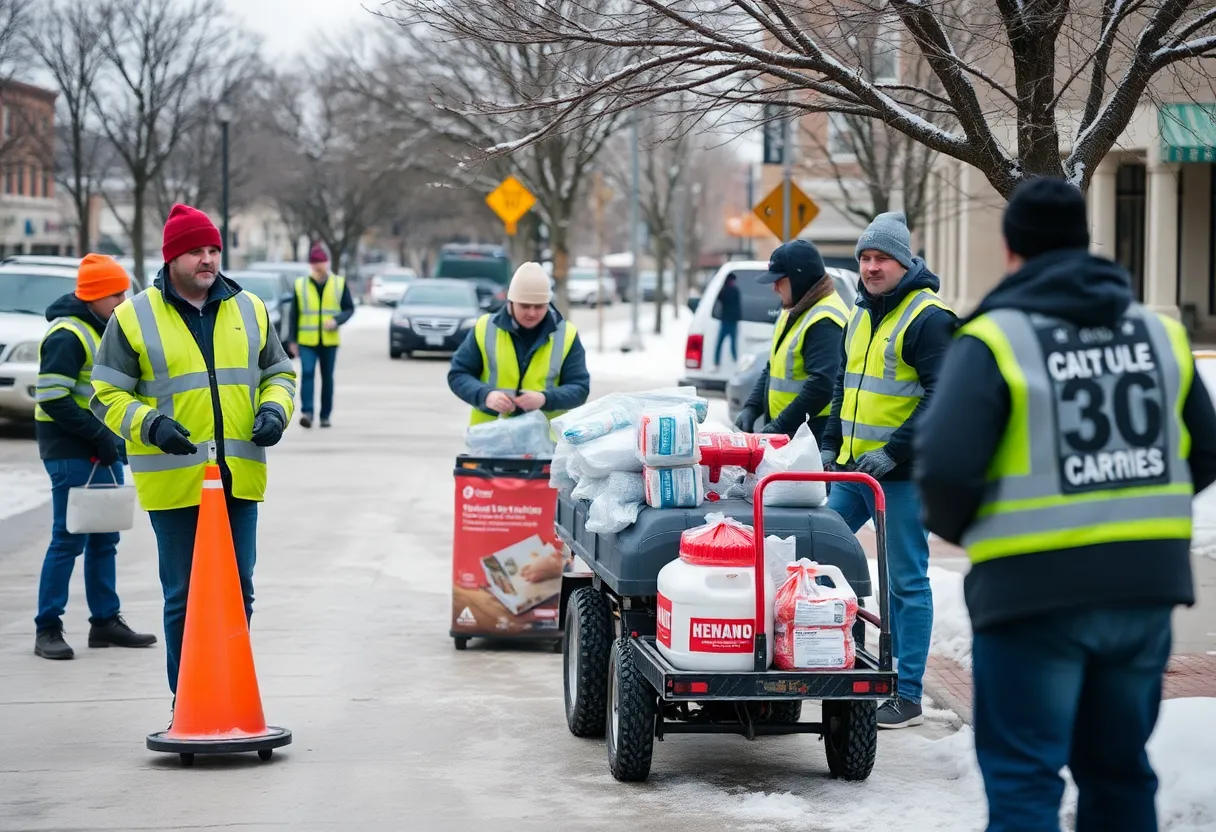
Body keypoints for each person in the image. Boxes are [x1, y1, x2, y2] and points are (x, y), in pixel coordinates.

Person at [914, 177, 1216, 832]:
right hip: (1142, 595)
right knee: (1120, 772)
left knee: (1025, 778)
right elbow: (1207, 450)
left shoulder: (995, 340)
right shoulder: (1159, 336)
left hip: (1032, 599)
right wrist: (1130, 512)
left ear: (1010, 250)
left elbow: (942, 470)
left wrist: (979, 531)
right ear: (1085, 242)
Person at [90, 203, 297, 707]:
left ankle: (227, 690)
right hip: (176, 482)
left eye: (213, 250)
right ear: (172, 259)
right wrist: (151, 424)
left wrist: (274, 412)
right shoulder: (133, 316)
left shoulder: (249, 308)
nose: (207, 260)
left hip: (238, 477)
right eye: (195, 251)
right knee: (184, 596)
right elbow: (105, 394)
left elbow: (280, 373)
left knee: (238, 591)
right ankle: (189, 702)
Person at [818, 211, 956, 729]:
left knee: (905, 581)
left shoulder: (928, 317)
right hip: (856, 472)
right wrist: (832, 444)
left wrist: (895, 451)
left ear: (905, 262)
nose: (872, 267)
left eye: (882, 259)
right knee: (817, 555)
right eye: (866, 258)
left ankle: (909, 693)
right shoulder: (862, 311)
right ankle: (827, 657)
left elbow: (943, 396)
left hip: (903, 475)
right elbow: (844, 384)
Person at [31, 254, 157, 660]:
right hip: (69, 449)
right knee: (68, 538)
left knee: (105, 535)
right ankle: (47, 626)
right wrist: (98, 435)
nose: (125, 298)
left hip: (100, 446)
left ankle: (104, 621)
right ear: (96, 296)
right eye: (117, 293)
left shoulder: (104, 328)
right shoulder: (68, 335)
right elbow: (52, 398)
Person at [448, 261, 591, 426]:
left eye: (539, 307)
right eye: (524, 306)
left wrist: (545, 399)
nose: (531, 313)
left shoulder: (566, 335)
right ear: (511, 302)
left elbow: (579, 388)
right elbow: (458, 374)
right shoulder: (484, 328)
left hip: (545, 443)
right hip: (490, 439)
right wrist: (486, 396)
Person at [733, 240, 848, 438]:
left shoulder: (825, 319)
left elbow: (822, 386)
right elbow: (773, 368)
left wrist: (779, 426)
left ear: (799, 278)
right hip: (791, 433)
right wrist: (752, 407)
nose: (774, 288)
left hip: (813, 435)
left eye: (779, 280)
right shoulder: (793, 308)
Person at [285, 242, 355, 428]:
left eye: (321, 262)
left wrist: (337, 320)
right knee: (307, 373)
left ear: (327, 263)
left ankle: (325, 415)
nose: (318, 266)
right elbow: (294, 314)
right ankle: (307, 412)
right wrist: (292, 340)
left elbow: (349, 308)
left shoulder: (338, 283)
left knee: (327, 377)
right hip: (307, 340)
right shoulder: (301, 285)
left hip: (329, 340)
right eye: (314, 263)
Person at [712, 273, 742, 370]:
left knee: (723, 343)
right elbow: (738, 306)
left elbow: (719, 299)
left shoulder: (726, 290)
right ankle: (734, 362)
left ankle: (718, 363)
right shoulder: (734, 291)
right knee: (730, 343)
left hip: (727, 320)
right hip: (730, 321)